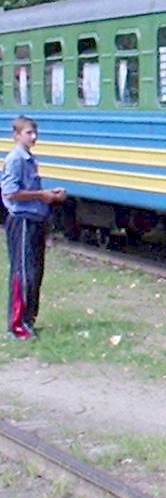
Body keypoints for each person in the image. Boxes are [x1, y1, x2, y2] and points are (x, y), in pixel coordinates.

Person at [3, 116, 67, 339]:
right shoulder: (16, 159)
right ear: (16, 135)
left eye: (35, 132)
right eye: (29, 133)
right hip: (22, 221)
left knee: (35, 272)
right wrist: (42, 195)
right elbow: (10, 192)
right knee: (23, 273)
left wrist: (50, 195)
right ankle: (16, 326)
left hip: (34, 220)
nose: (34, 137)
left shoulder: (29, 159)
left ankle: (28, 321)